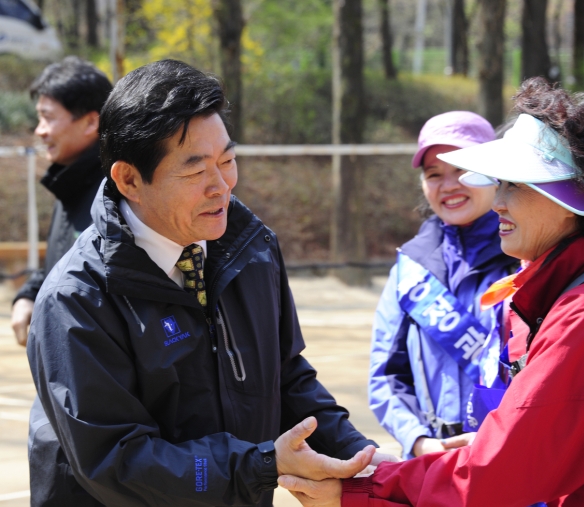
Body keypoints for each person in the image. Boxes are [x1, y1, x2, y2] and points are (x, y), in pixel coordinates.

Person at [26, 60, 393, 507]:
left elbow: (287, 379)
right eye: (196, 170)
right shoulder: (76, 299)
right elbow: (117, 462)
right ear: (129, 179)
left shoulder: (251, 250)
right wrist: (260, 464)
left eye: (228, 160)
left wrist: (366, 462)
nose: (222, 186)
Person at [278, 78, 584, 506]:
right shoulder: (570, 291)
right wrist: (423, 444)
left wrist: (361, 490)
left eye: (515, 185)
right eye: (434, 174)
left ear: (573, 197)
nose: (497, 203)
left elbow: (499, 474)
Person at [369, 111, 517, 459]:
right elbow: (386, 375)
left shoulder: (526, 257)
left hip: (510, 458)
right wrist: (419, 442)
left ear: (495, 174)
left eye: (463, 170)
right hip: (432, 460)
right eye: (434, 174)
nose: (448, 185)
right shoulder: (410, 268)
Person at [11, 56, 112, 347]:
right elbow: (61, 266)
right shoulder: (71, 182)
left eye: (48, 117)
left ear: (91, 121)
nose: (39, 130)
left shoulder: (114, 196)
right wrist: (30, 293)